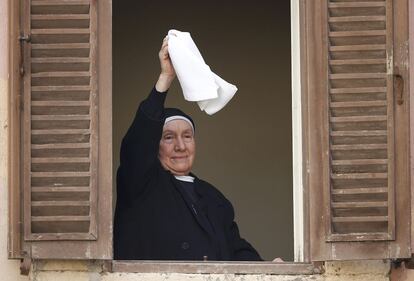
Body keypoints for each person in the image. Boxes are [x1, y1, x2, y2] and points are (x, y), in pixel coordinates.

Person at [113, 36, 262, 261]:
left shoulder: (213, 198)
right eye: (169, 137)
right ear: (154, 144)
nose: (180, 146)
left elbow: (235, 248)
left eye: (187, 136)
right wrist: (166, 78)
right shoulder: (140, 185)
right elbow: (136, 145)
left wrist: (268, 266)